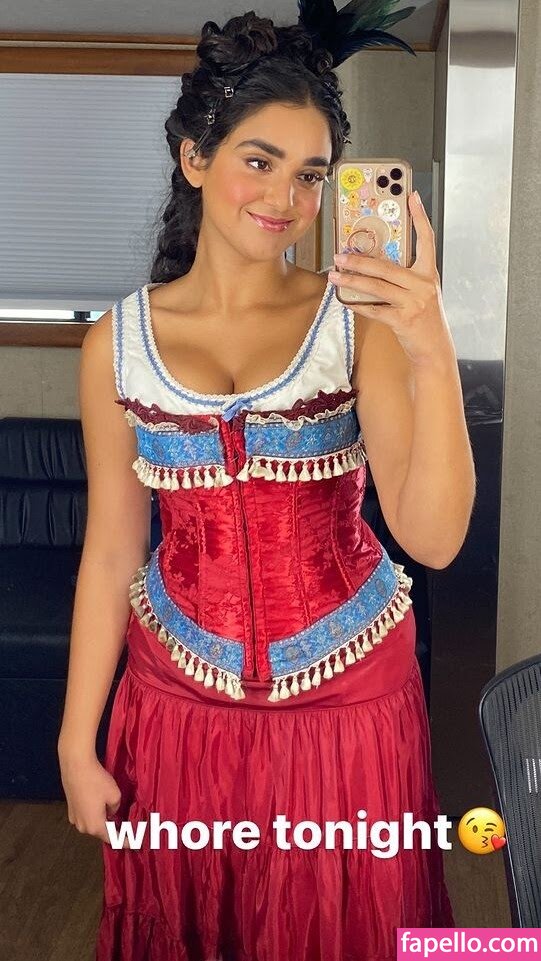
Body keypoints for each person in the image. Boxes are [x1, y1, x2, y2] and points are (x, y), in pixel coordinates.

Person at [58, 4, 476, 959]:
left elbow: (434, 538)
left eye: (311, 174)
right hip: (175, 706)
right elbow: (113, 551)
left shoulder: (358, 320)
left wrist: (430, 345)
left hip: (350, 702)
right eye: (260, 160)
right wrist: (77, 741)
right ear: (193, 158)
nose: (286, 196)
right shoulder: (113, 344)